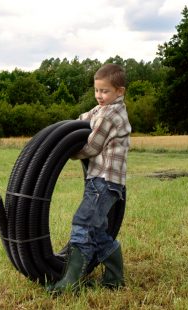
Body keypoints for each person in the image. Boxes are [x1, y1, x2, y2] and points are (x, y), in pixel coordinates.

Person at [47, 63, 131, 294]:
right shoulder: (100, 110)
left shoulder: (112, 114)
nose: (99, 96)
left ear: (119, 92)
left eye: (105, 91)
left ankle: (71, 282)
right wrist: (62, 134)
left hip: (104, 180)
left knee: (83, 223)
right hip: (102, 181)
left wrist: (68, 152)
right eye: (97, 90)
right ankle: (114, 278)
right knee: (97, 231)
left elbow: (92, 146)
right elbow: (83, 119)